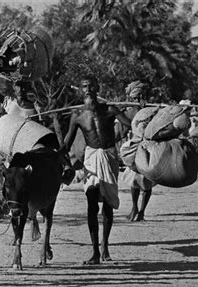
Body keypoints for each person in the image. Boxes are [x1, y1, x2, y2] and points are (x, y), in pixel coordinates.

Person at [60, 75, 131, 264]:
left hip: (108, 157)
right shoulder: (77, 115)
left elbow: (130, 124)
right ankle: (95, 253)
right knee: (91, 203)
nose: (88, 89)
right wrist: (58, 155)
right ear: (81, 90)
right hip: (91, 160)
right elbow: (66, 143)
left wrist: (139, 110)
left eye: (91, 86)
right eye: (84, 86)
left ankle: (105, 247)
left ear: (98, 88)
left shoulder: (109, 110)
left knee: (107, 203)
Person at [120, 81, 155, 222]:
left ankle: (142, 212)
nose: (139, 99)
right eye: (136, 97)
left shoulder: (153, 110)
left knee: (147, 182)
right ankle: (134, 207)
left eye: (141, 96)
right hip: (135, 147)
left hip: (150, 147)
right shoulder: (129, 111)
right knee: (134, 181)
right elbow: (125, 127)